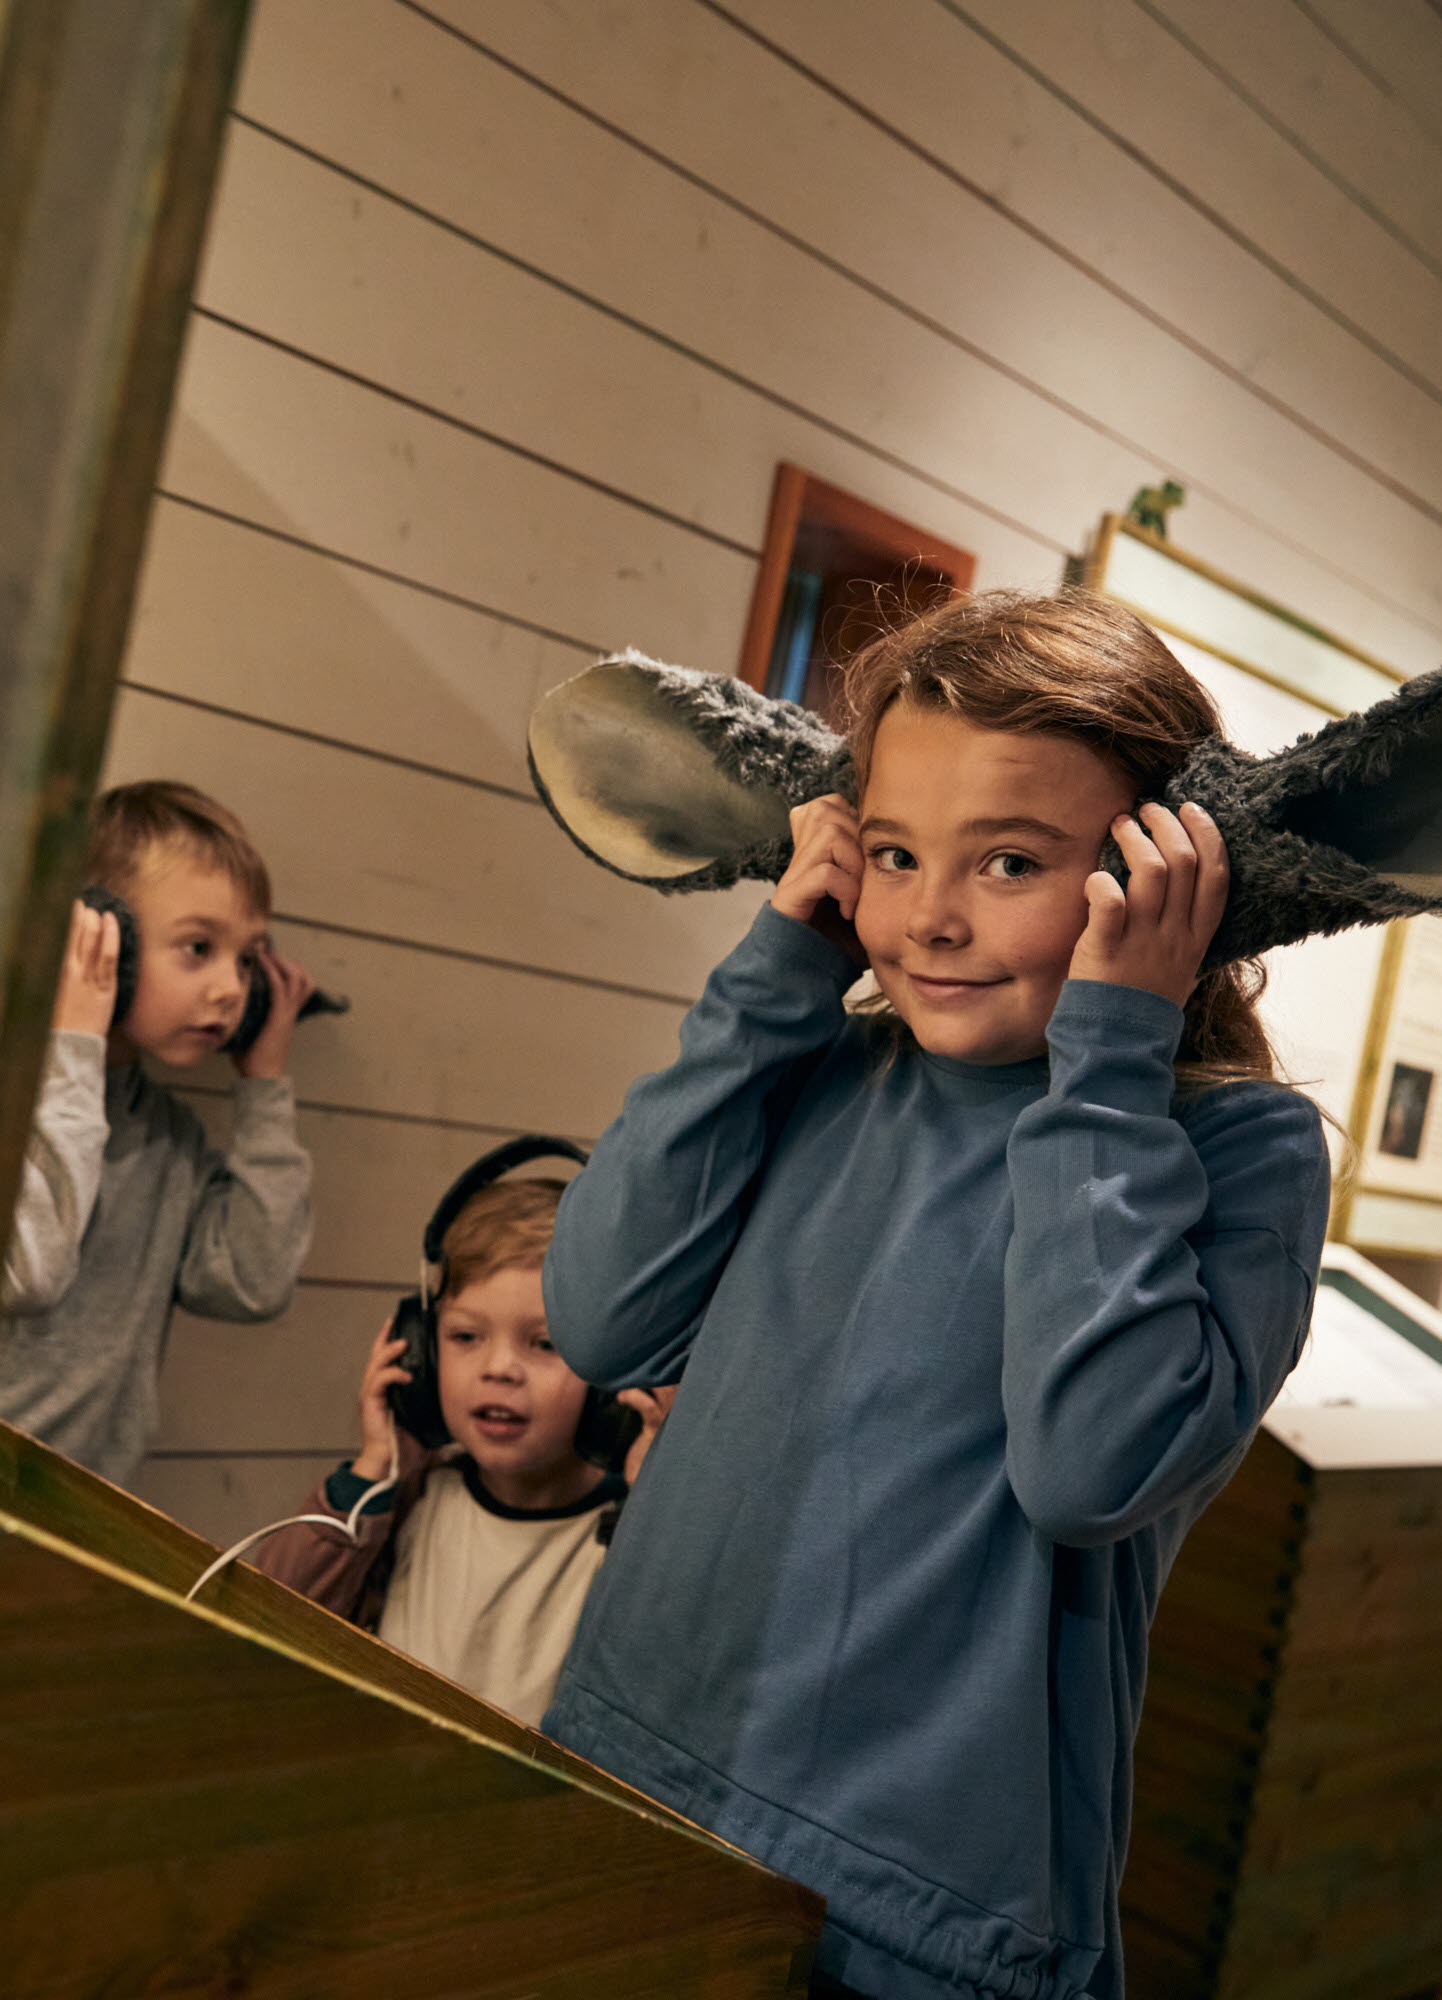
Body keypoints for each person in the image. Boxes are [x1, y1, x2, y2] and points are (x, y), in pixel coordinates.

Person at [538, 591, 1332, 2000]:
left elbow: (1093, 1468)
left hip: (924, 1920)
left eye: (1010, 861)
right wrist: (779, 972)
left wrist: (1112, 1055)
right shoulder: (823, 1069)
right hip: (628, 1784)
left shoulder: (1235, 1150)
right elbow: (606, 1320)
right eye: (895, 853)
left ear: (1157, 874)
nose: (931, 918)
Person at [0, 781, 315, 1488]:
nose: (230, 987)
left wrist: (263, 1088)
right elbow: (29, 1270)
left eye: (248, 959)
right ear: (105, 936)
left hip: (83, 1508)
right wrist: (71, 1042)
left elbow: (252, 1282)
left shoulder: (170, 1141)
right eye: (198, 947)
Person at [257, 1176, 672, 1726]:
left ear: (611, 1378)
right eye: (465, 1337)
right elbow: (272, 1616)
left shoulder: (631, 1533)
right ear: (420, 1358)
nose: (498, 1368)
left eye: (545, 1343)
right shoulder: (408, 1499)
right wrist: (370, 1475)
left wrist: (661, 1513)